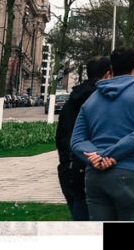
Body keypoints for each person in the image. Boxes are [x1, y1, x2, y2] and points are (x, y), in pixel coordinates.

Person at [70, 47, 134, 221]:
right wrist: (109, 155)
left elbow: (77, 140)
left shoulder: (92, 99)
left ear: (111, 69)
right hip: (130, 173)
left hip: (95, 176)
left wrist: (94, 157)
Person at [56, 56, 111, 221]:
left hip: (70, 168)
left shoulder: (71, 101)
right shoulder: (103, 100)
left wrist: (67, 162)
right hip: (95, 167)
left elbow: (61, 136)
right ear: (108, 75)